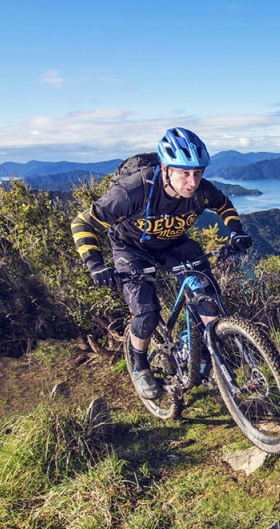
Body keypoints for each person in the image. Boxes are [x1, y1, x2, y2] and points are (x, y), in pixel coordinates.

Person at [71, 127, 253, 399]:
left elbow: (223, 204)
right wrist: (95, 266)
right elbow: (82, 222)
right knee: (146, 314)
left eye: (197, 173)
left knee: (208, 297)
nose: (192, 182)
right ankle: (140, 365)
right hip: (131, 249)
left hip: (175, 244)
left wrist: (236, 230)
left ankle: (202, 353)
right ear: (166, 168)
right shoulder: (134, 191)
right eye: (184, 173)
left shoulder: (201, 191)